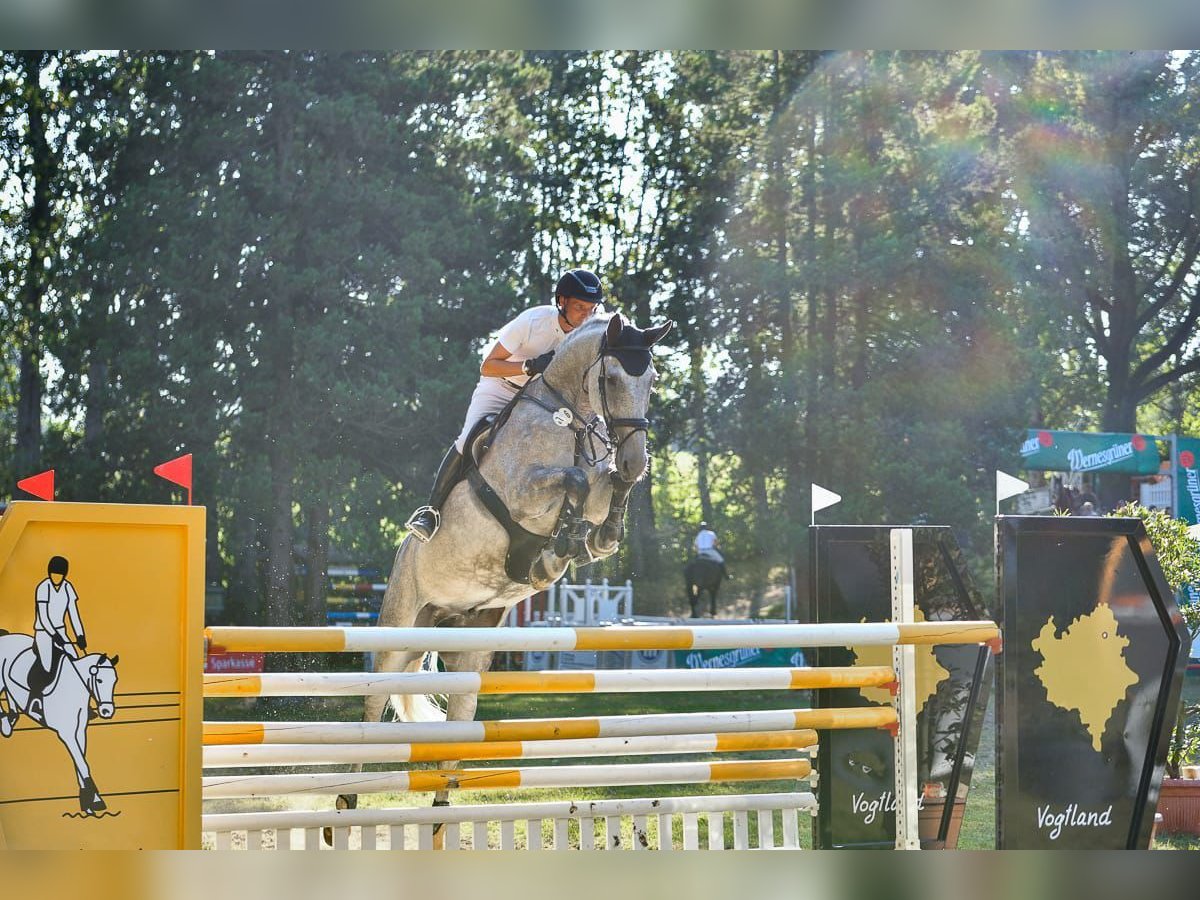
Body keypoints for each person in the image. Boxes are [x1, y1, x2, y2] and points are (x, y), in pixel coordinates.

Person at [405, 268, 605, 542]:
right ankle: (431, 512)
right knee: (468, 439)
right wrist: (529, 366)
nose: (586, 316)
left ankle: (573, 524)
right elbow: (488, 366)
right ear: (562, 302)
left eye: (592, 309)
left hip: (544, 402)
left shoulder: (587, 339)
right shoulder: (533, 321)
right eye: (580, 307)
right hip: (501, 388)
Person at [27, 555, 86, 719]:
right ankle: (35, 701)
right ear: (49, 573)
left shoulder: (68, 587)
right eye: (53, 574)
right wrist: (53, 635)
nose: (56, 578)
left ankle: (81, 704)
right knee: (47, 665)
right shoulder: (43, 587)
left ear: (64, 575)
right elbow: (43, 616)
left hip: (61, 632)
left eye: (59, 575)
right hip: (44, 632)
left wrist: (80, 635)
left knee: (75, 663)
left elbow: (74, 614)